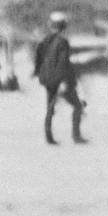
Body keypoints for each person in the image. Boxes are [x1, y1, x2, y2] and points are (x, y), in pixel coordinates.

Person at [32, 11, 86, 144]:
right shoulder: (63, 42)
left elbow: (38, 58)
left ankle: (48, 137)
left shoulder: (45, 40)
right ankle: (76, 136)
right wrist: (63, 81)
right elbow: (63, 63)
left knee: (50, 107)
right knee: (78, 106)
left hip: (48, 79)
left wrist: (39, 73)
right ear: (63, 26)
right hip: (61, 79)